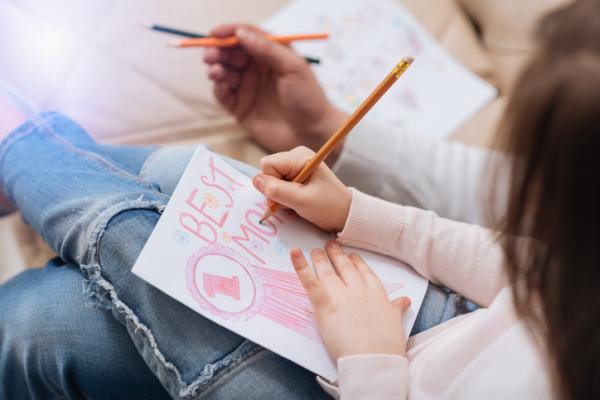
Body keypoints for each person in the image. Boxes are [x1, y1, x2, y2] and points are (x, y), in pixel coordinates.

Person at [0, 1, 597, 399]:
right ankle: (26, 155)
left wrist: (371, 363)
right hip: (444, 319)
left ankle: (20, 145)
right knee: (192, 178)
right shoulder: (571, 261)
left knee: (38, 323)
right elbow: (528, 264)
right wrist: (360, 215)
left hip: (371, 380)